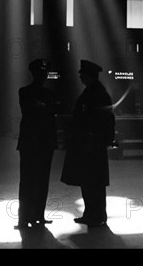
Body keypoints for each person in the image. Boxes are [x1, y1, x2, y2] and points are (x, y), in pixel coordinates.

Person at [61, 59, 115, 228]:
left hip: (90, 144)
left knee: (91, 182)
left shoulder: (94, 93)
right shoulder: (96, 91)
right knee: (92, 181)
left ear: (89, 75)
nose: (80, 77)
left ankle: (95, 214)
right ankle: (93, 214)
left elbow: (95, 120)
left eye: (82, 74)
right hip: (91, 144)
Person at [15, 59, 59, 229]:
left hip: (36, 142)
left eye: (44, 73)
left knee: (38, 181)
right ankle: (27, 217)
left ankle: (34, 216)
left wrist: (42, 107)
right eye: (41, 73)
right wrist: (46, 107)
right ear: (35, 74)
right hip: (37, 143)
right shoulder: (32, 93)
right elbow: (48, 112)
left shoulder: (28, 92)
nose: (43, 76)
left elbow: (41, 111)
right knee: (31, 181)